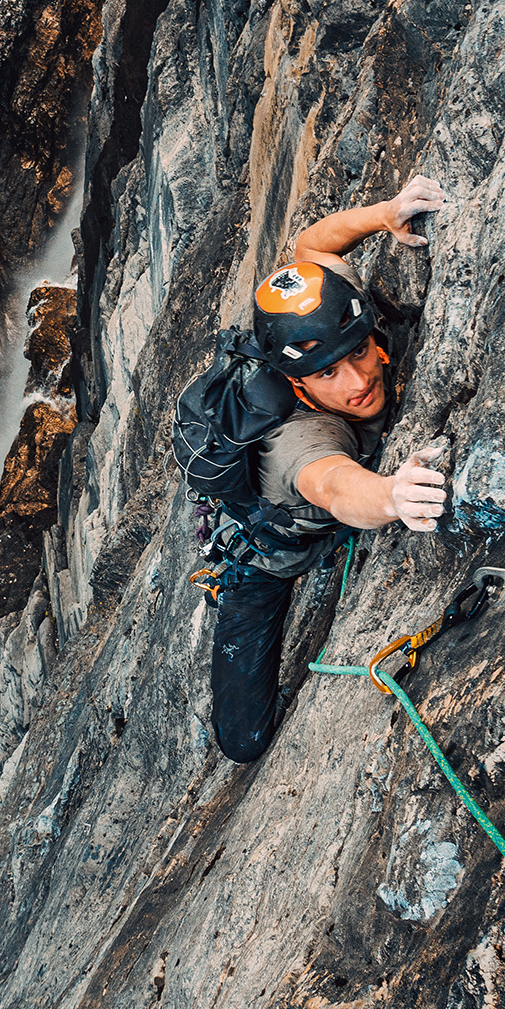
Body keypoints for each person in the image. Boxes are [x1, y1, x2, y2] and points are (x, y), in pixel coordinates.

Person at [209, 176, 451, 763]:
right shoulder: (302, 441)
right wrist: (391, 496)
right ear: (296, 383)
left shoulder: (323, 309)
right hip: (265, 558)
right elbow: (335, 487)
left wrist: (384, 213)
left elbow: (309, 248)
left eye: (360, 353)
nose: (360, 380)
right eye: (328, 375)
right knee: (242, 742)